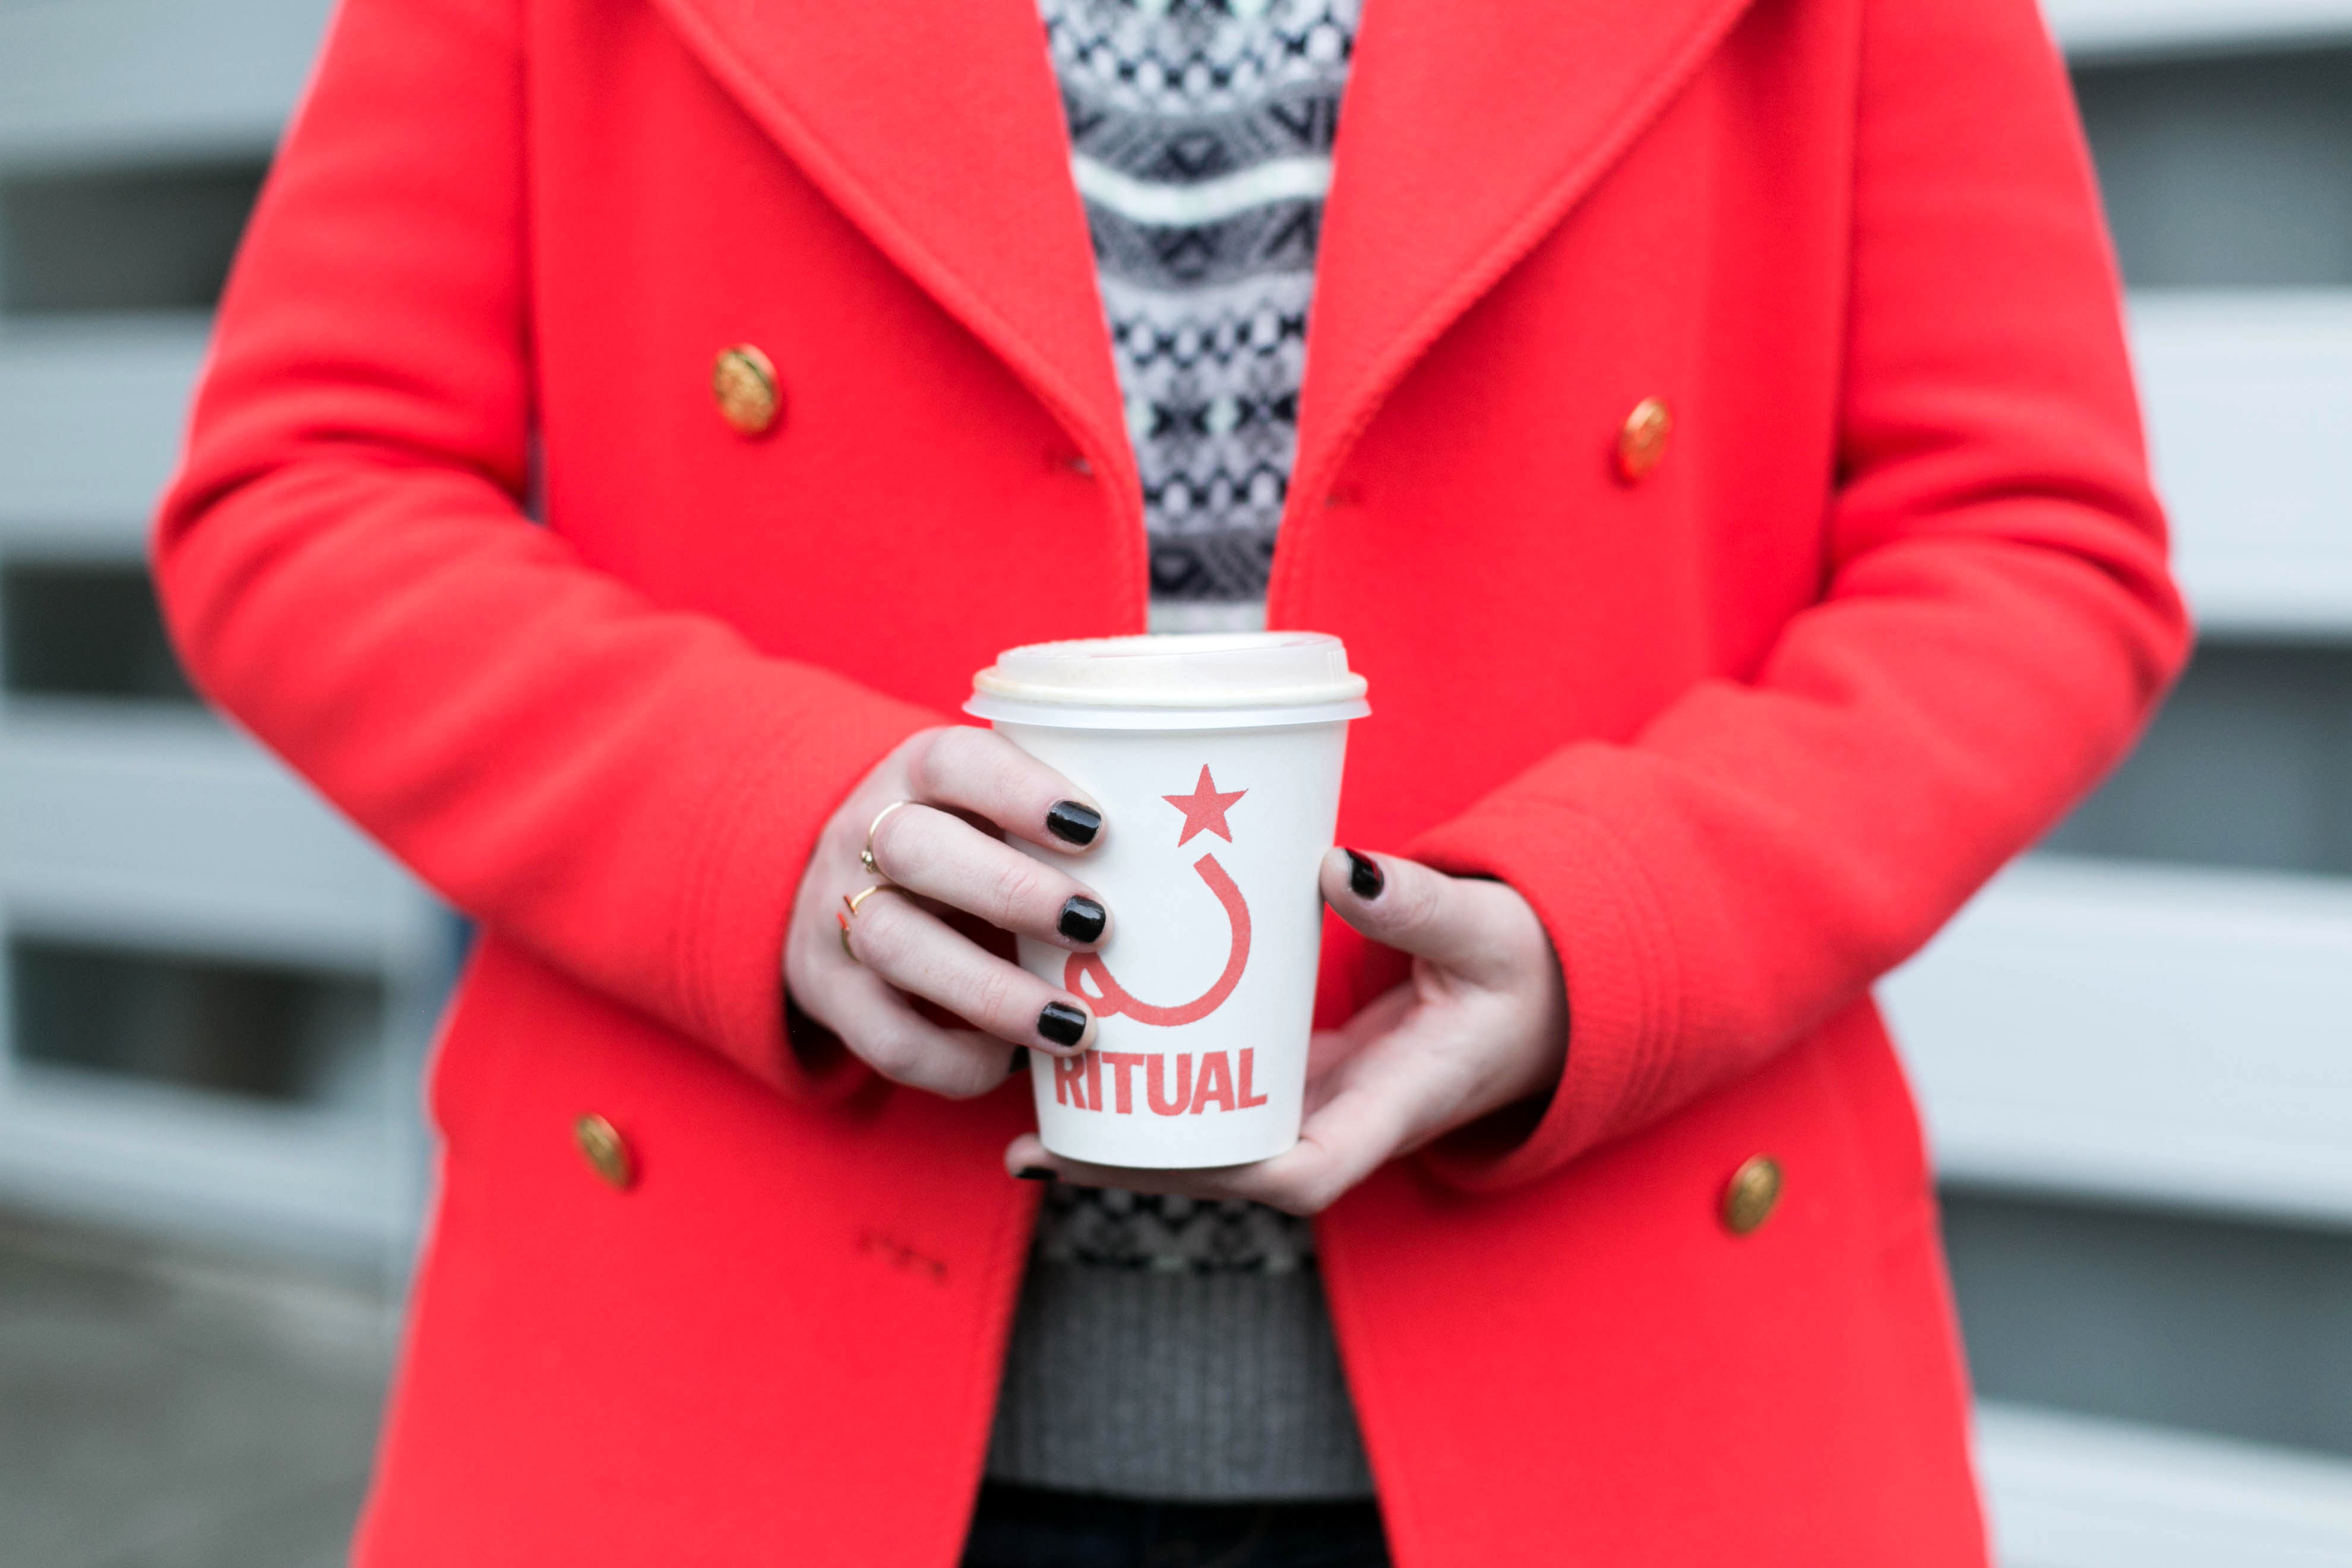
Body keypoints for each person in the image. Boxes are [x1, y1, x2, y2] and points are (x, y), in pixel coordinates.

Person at [152, 0, 2187, 1560]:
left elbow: (2031, 541)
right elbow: (301, 491)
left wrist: (1621, 927)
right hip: (726, 1391)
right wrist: (754, 828)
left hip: (1629, 1388)